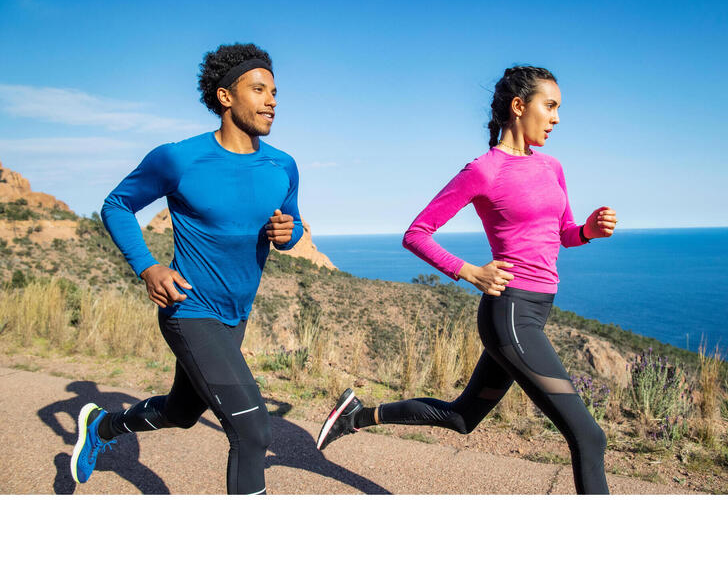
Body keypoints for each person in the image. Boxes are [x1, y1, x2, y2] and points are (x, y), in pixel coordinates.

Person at [316, 65, 617, 494]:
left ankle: (358, 416)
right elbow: (416, 234)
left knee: (461, 418)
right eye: (549, 106)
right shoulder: (484, 170)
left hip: (536, 310)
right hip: (510, 313)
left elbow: (563, 234)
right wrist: (470, 271)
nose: (556, 118)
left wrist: (588, 229)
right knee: (589, 436)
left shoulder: (552, 167)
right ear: (519, 106)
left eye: (558, 109)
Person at [70, 43, 303, 495]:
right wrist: (148, 267)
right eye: (259, 89)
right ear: (225, 96)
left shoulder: (283, 165)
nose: (272, 100)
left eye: (274, 91)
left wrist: (286, 233)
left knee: (181, 412)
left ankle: (102, 427)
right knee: (253, 432)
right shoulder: (179, 158)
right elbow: (117, 204)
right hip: (188, 307)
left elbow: (290, 228)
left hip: (236, 314)